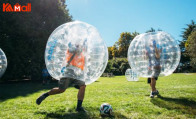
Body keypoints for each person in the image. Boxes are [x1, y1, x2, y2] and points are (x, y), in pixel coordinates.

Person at [36, 42, 86, 112]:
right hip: (68, 70)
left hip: (78, 72)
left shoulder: (82, 49)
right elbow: (72, 52)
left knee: (83, 86)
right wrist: (77, 48)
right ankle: (45, 95)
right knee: (61, 90)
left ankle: (79, 107)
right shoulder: (71, 47)